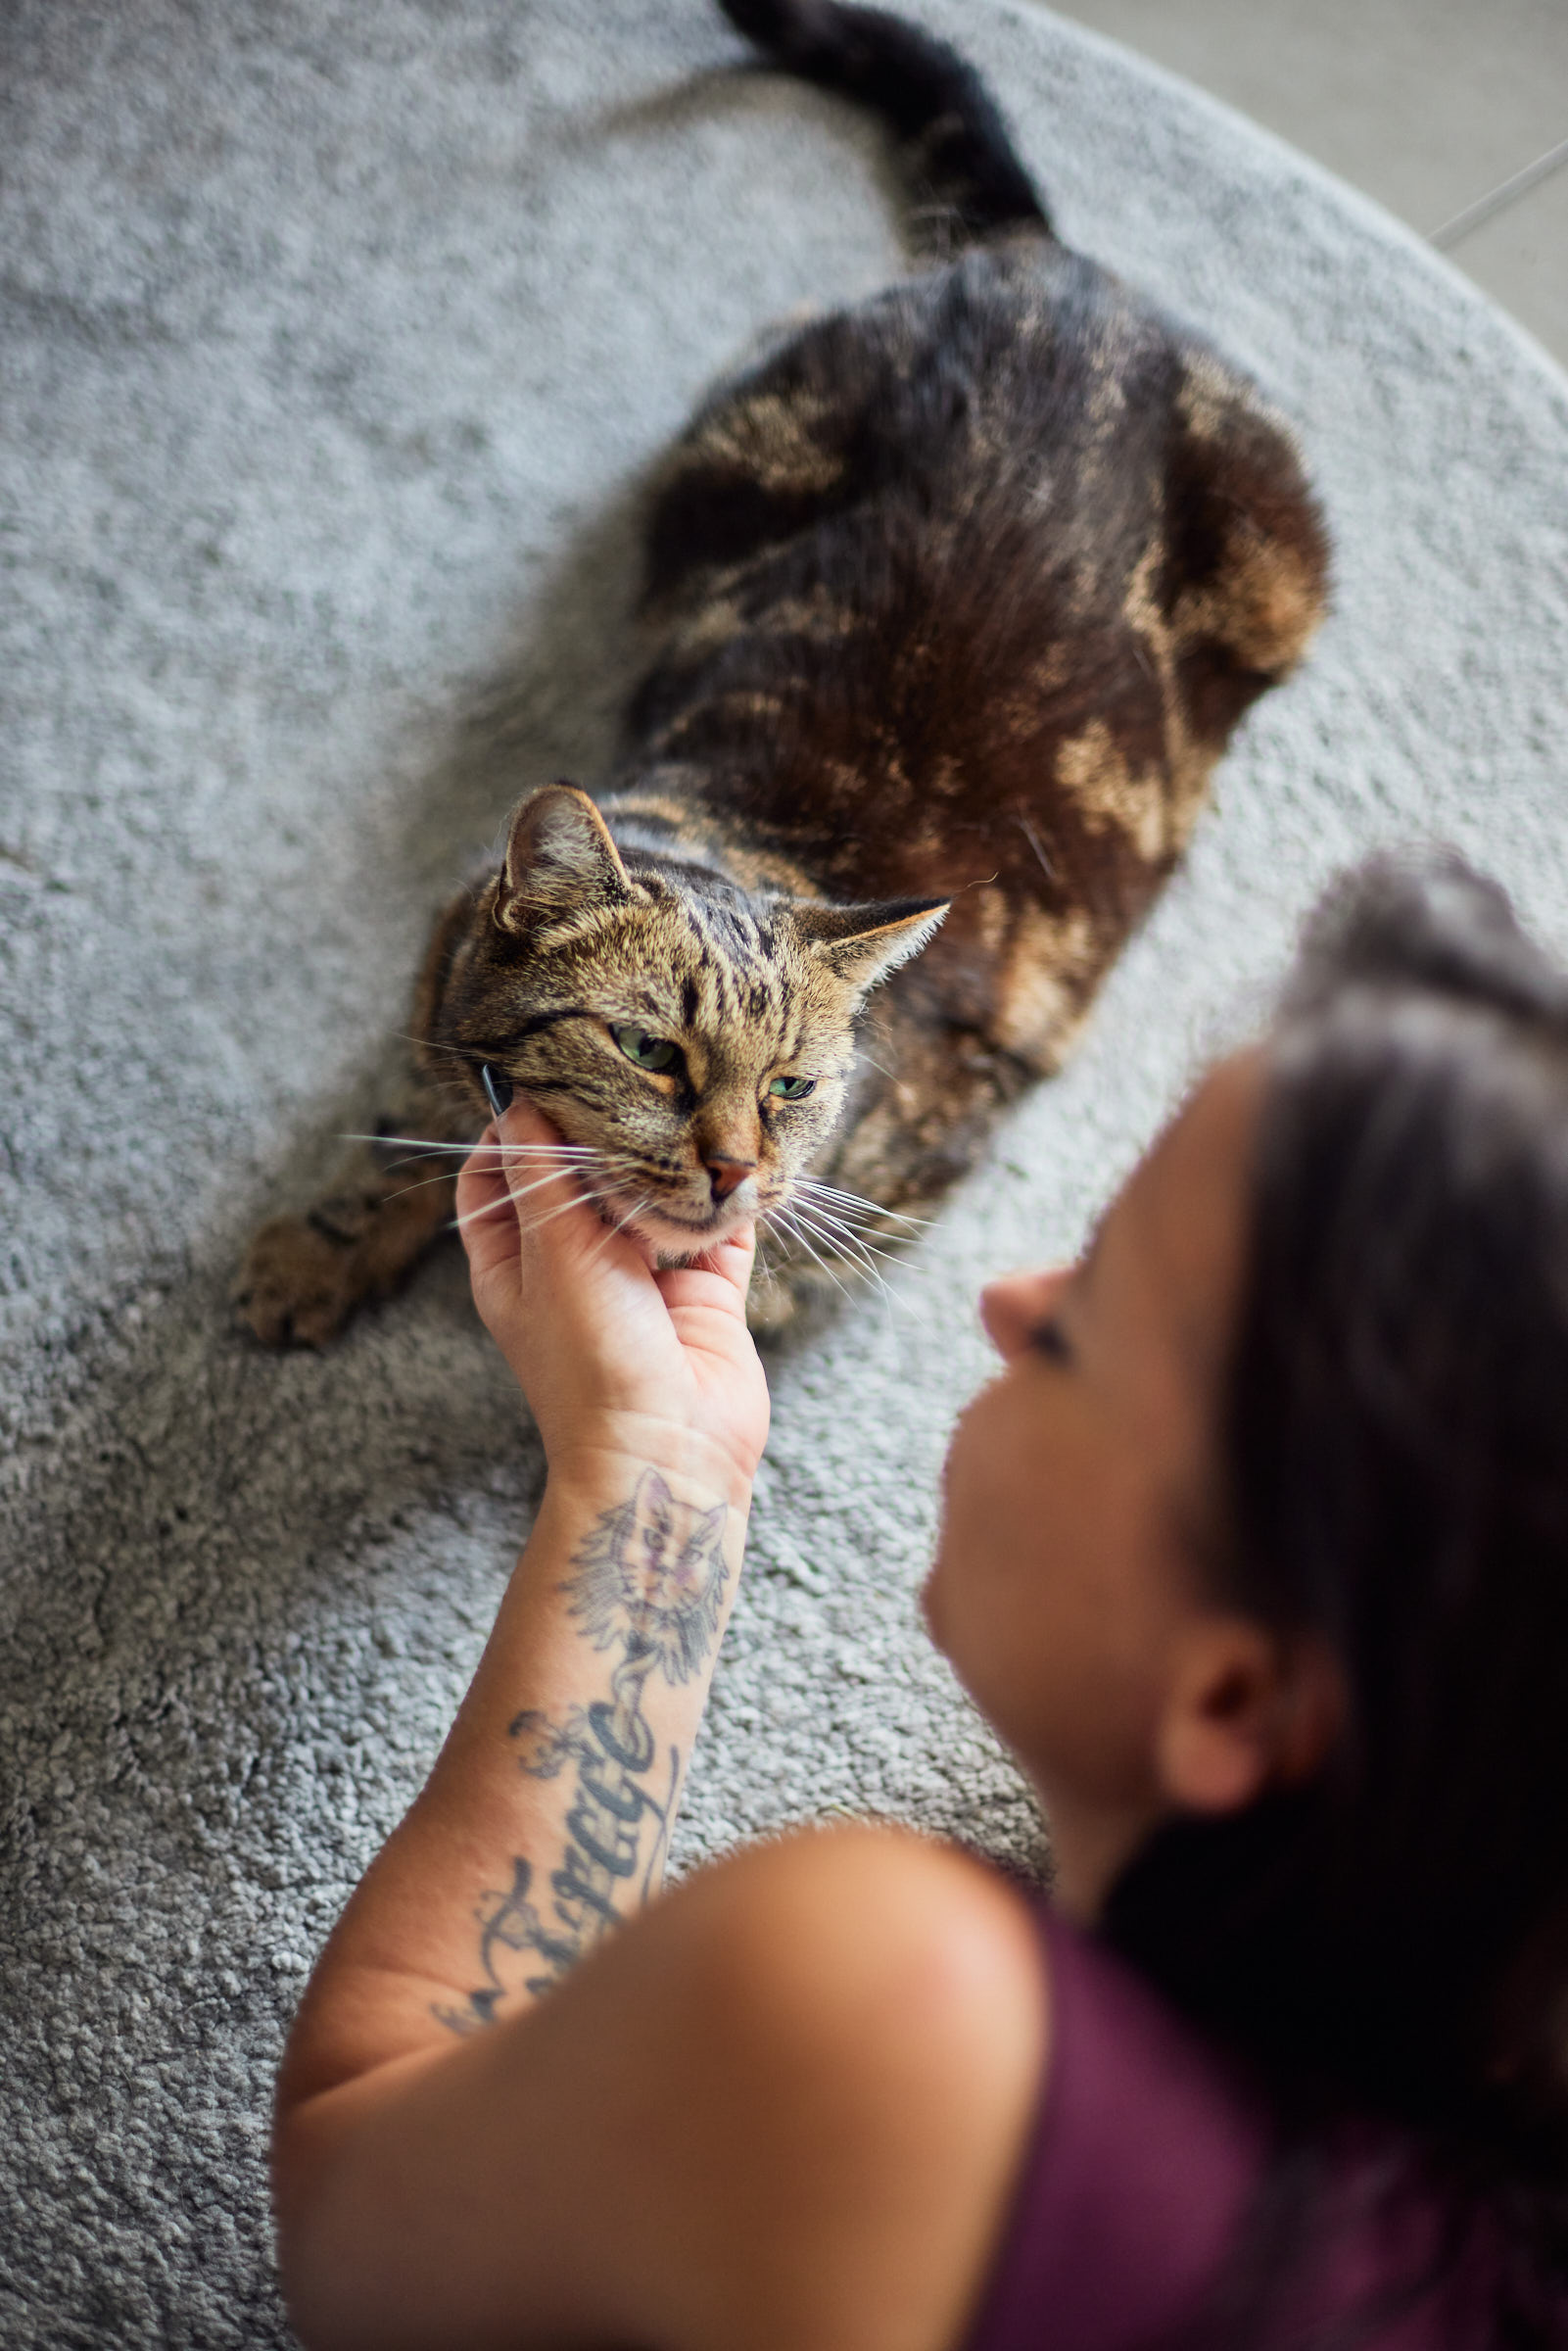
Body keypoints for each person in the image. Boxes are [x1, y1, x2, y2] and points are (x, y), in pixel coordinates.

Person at [270, 852, 1568, 2350]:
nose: (1004, 1294)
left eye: (1084, 1318)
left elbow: (353, 2186)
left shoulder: (887, 2013)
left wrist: (649, 1477)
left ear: (1229, 1699)